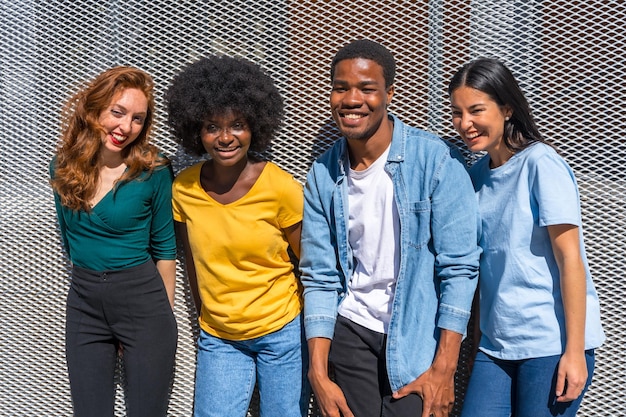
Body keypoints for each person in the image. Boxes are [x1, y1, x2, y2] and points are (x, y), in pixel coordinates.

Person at [299, 39, 481, 417]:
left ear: (389, 94)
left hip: (418, 336)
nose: (351, 99)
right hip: (351, 332)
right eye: (340, 87)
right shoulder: (322, 174)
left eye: (367, 89)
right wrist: (319, 374)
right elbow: (319, 276)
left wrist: (445, 370)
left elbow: (460, 268)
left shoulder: (435, 161)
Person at [448, 57, 605, 417]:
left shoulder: (541, 163)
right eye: (457, 113)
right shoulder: (475, 178)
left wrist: (575, 351)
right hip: (495, 346)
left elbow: (570, 260)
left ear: (506, 109)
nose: (465, 124)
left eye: (476, 110)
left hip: (551, 343)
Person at [166, 55, 308, 417]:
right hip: (219, 337)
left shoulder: (279, 187)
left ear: (255, 127)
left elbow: (309, 263)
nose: (225, 137)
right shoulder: (183, 189)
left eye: (238, 125)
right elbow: (194, 263)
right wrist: (205, 315)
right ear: (196, 130)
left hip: (280, 331)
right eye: (212, 126)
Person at [49, 66, 178, 417]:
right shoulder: (62, 166)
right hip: (85, 304)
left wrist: (161, 319)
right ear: (95, 110)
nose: (125, 128)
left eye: (137, 118)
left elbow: (165, 250)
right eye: (117, 113)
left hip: (142, 303)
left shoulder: (154, 171)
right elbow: (69, 240)